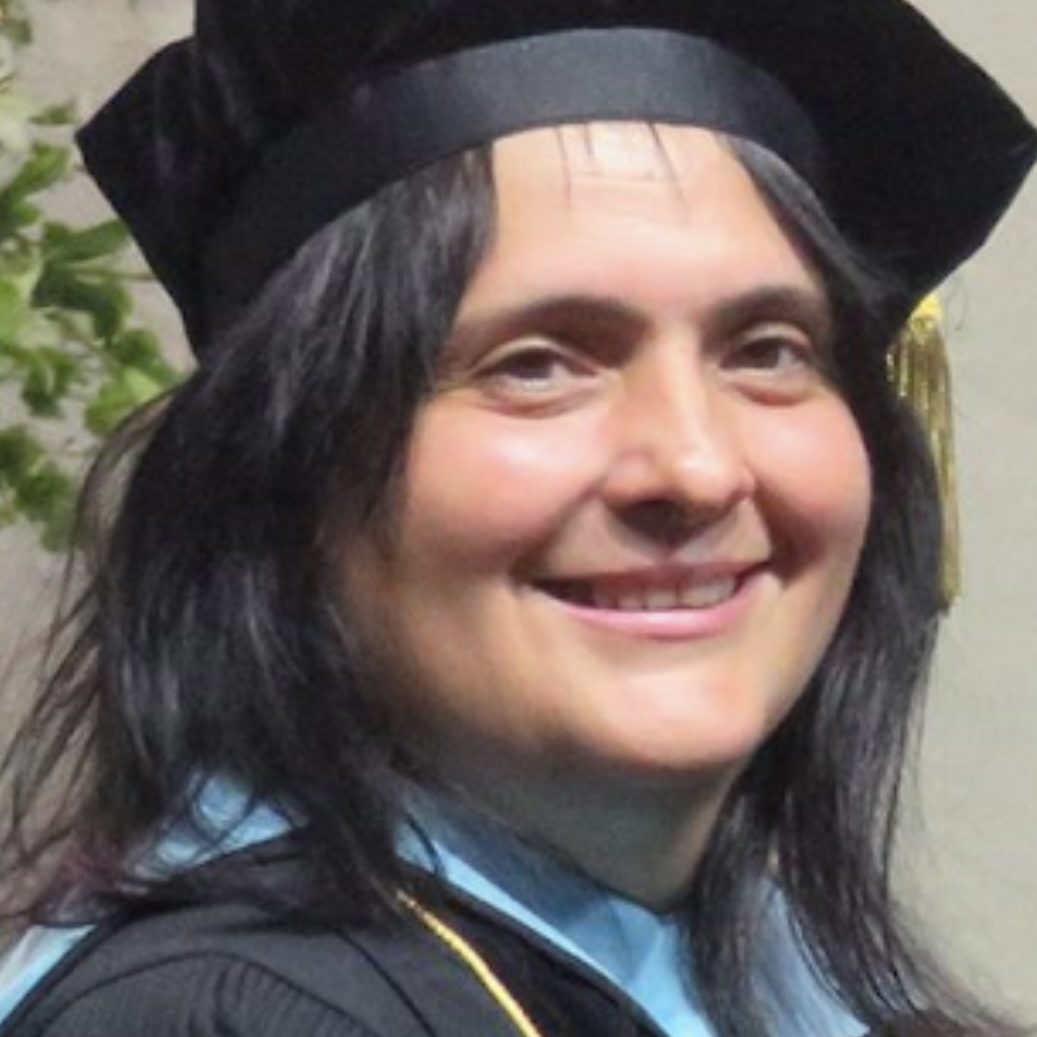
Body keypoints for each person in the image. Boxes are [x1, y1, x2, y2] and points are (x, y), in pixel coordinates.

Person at [0, 2, 1034, 1035]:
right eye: (535, 365)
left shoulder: (794, 983)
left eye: (767, 350)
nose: (695, 464)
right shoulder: (235, 1015)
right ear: (280, 475)